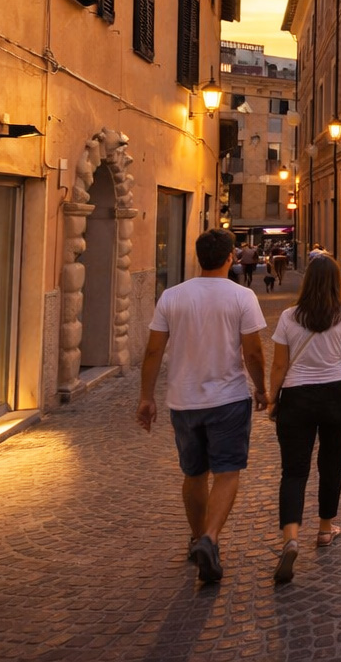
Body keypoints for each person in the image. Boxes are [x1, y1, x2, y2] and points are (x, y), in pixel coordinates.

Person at [136, 229, 268, 584]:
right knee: (227, 471)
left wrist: (146, 397)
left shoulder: (172, 297)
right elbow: (253, 351)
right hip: (228, 398)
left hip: (184, 399)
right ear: (231, 258)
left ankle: (197, 538)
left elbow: (153, 351)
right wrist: (261, 388)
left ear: (199, 258)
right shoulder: (242, 297)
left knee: (194, 474)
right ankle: (210, 538)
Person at [266, 255, 341, 584]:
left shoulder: (288, 317)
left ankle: (291, 537)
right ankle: (326, 529)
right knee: (332, 464)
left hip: (297, 395)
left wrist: (273, 398)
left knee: (294, 470)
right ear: (335, 282)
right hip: (335, 394)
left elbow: (278, 366)